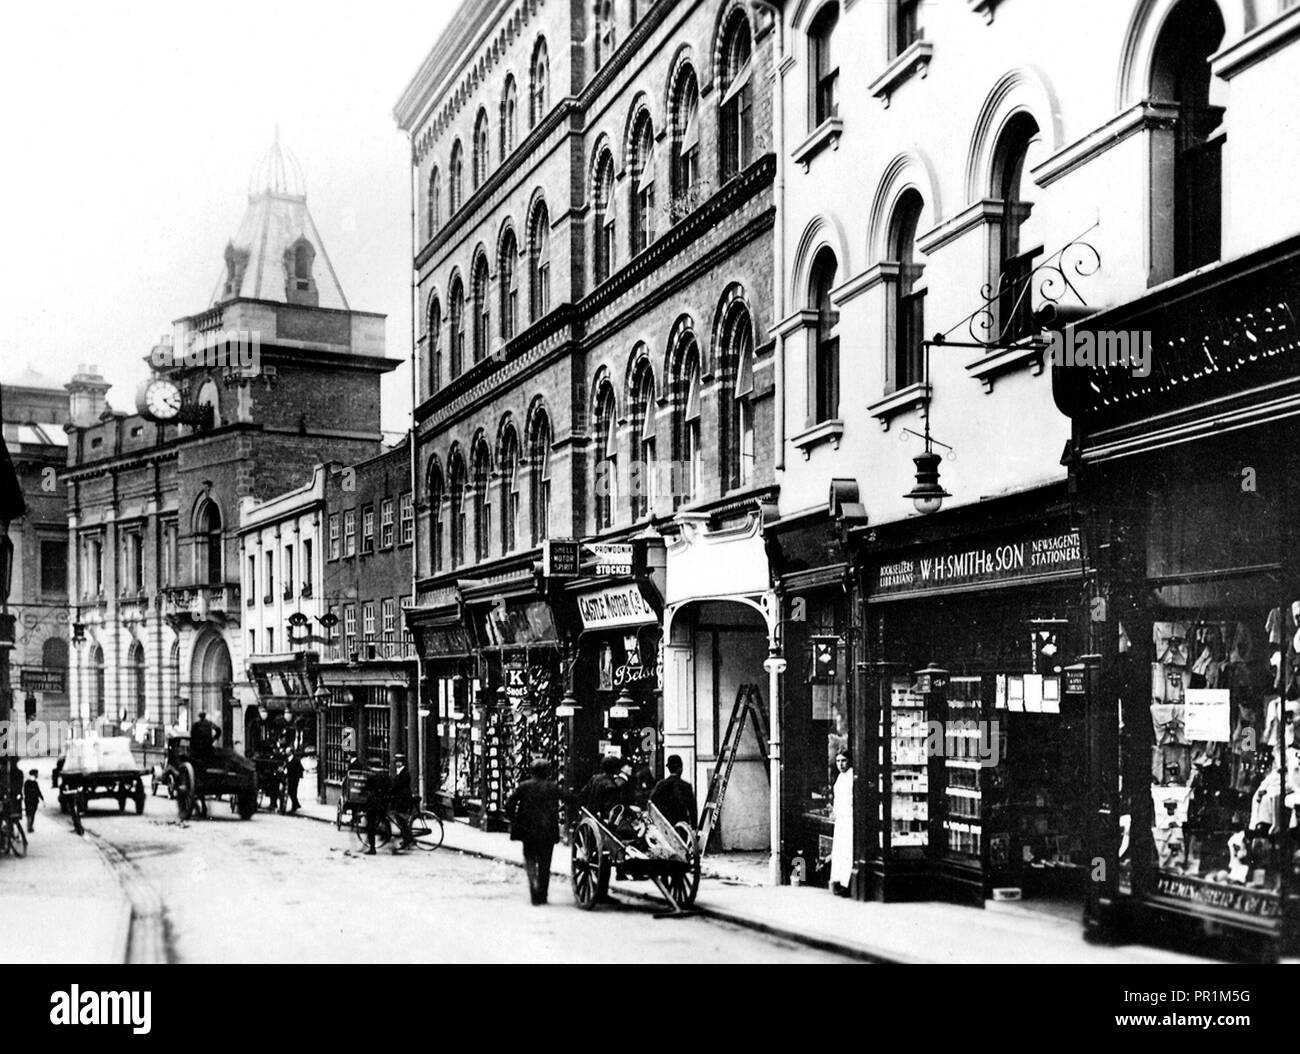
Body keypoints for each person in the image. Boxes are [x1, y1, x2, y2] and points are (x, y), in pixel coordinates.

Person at [504, 759, 563, 905]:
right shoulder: (552, 787)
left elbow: (509, 804)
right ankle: (542, 894)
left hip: (528, 831)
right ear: (546, 772)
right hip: (547, 831)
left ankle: (533, 885)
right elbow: (568, 798)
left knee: (530, 859)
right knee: (545, 863)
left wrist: (514, 821)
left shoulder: (524, 786)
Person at [649, 754, 697, 830]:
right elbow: (692, 810)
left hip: (664, 827)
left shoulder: (660, 785)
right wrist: (694, 828)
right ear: (680, 769)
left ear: (669, 769)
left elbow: (652, 804)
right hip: (681, 828)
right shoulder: (686, 786)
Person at [829, 749, 853, 896]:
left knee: (847, 850)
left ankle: (847, 883)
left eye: (843, 760)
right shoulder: (840, 777)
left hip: (849, 818)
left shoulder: (852, 776)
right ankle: (838, 880)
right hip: (841, 818)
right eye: (838, 761)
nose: (841, 764)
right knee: (839, 850)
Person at [390, 754, 416, 847]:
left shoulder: (404, 773)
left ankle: (408, 839)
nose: (398, 763)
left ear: (403, 763)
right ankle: (407, 838)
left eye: (399, 762)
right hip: (400, 799)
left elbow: (398, 786)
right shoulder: (400, 771)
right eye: (397, 762)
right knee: (400, 819)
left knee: (401, 819)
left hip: (403, 800)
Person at [23, 768, 45, 834]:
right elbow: (38, 791)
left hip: (28, 800)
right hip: (33, 800)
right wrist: (42, 798)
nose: (37, 775)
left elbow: (25, 792)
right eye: (36, 774)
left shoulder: (27, 782)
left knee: (29, 813)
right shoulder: (34, 782)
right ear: (34, 774)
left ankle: (29, 825)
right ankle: (30, 826)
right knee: (32, 814)